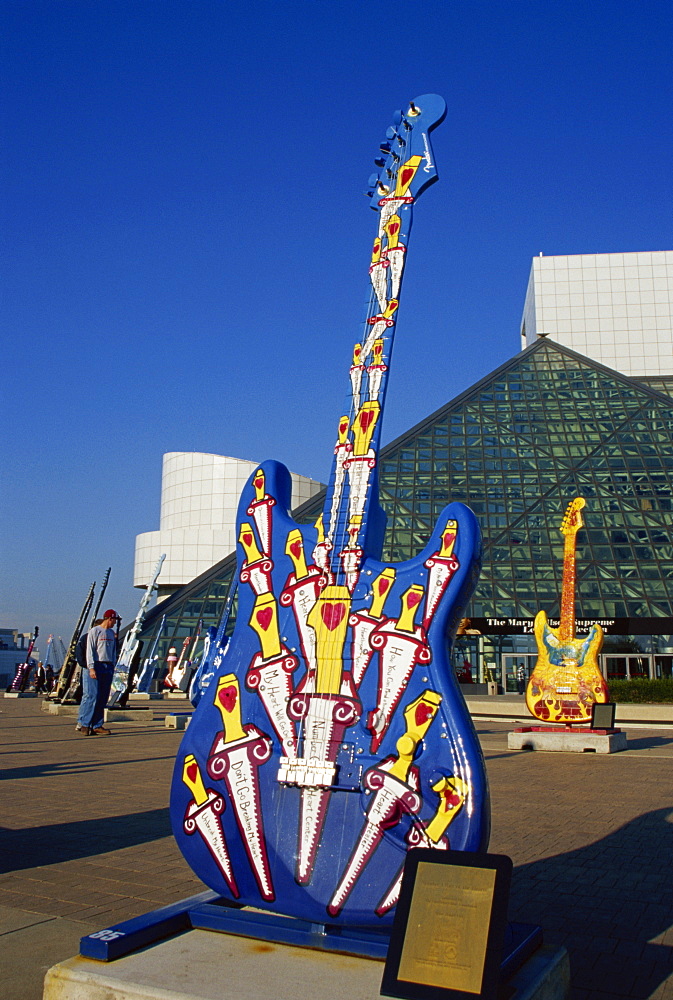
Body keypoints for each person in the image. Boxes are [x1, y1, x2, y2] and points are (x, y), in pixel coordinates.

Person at [82, 610, 121, 736]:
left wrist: (113, 664)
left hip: (108, 665)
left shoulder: (111, 633)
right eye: (114, 620)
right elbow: (90, 650)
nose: (115, 623)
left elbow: (113, 651)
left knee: (103, 697)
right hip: (97, 664)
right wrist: (91, 667)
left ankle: (97, 725)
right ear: (109, 619)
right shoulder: (95, 631)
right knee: (92, 695)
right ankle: (85, 724)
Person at [76, 620, 101, 733]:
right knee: (89, 695)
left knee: (90, 696)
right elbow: (80, 653)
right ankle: (82, 721)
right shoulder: (87, 638)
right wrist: (86, 665)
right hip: (89, 668)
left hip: (94, 667)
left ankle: (85, 722)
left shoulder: (88, 637)